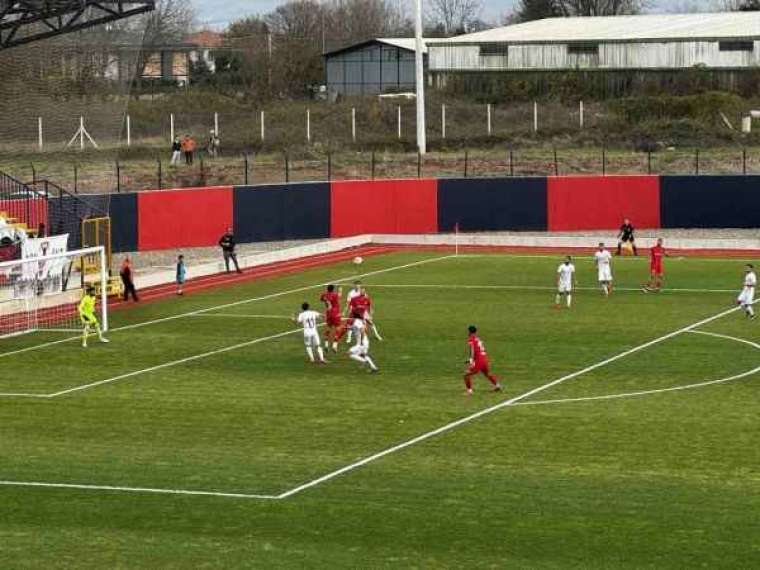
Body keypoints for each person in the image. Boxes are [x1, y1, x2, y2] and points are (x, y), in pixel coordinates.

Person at [463, 325, 501, 395]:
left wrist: (471, 359)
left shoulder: (471, 339)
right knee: (487, 374)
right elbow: (480, 349)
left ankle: (469, 391)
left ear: (469, 331)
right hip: (484, 358)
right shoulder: (478, 339)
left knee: (466, 374)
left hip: (479, 360)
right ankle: (497, 385)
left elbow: (472, 350)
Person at [320, 284, 342, 352]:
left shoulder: (324, 294)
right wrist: (340, 290)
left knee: (328, 328)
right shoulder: (335, 295)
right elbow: (339, 295)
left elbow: (322, 299)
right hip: (335, 313)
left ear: (327, 289)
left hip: (328, 314)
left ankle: (326, 345)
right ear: (333, 289)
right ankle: (334, 345)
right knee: (338, 328)